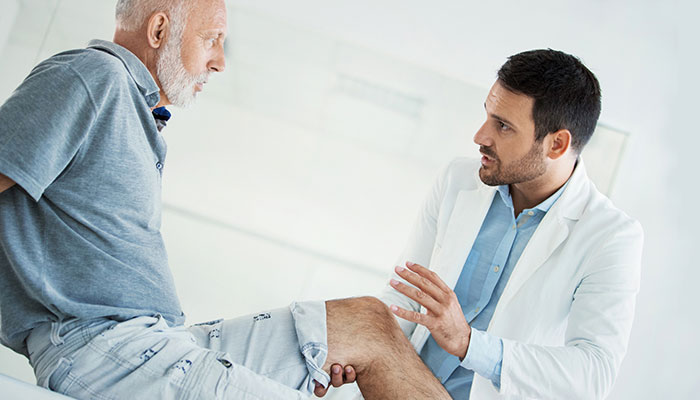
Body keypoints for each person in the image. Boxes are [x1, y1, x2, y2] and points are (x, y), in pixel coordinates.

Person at [0, 0, 450, 399]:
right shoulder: (91, 76)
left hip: (161, 340)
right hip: (104, 347)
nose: (219, 62)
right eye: (211, 39)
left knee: (369, 325)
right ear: (158, 31)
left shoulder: (133, 108)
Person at [377, 49, 644, 399]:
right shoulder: (458, 179)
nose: (480, 136)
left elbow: (593, 373)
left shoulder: (611, 237)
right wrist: (364, 349)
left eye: (503, 126)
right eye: (488, 116)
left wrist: (470, 345)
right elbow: (405, 294)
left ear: (557, 144)